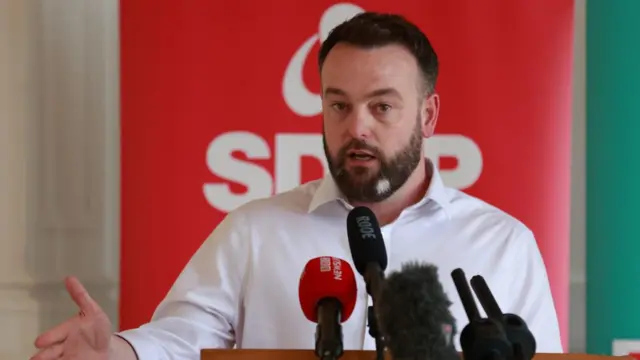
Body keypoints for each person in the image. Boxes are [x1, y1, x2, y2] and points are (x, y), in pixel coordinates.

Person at [30, 11, 564, 360]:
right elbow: (179, 341)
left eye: (381, 106)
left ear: (428, 115)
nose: (357, 127)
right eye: (339, 105)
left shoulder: (503, 244)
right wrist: (113, 353)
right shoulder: (254, 232)